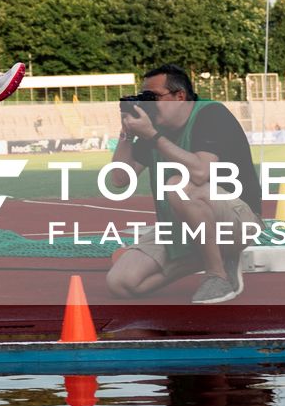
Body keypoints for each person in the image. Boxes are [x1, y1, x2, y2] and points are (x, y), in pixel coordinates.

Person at [105, 65, 263, 305]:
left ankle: (217, 275)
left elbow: (200, 172)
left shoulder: (211, 114)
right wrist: (126, 132)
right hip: (182, 227)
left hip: (236, 221)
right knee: (122, 282)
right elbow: (119, 179)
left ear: (179, 96)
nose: (147, 104)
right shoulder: (154, 130)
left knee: (180, 185)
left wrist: (154, 138)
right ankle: (220, 256)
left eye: (153, 97)